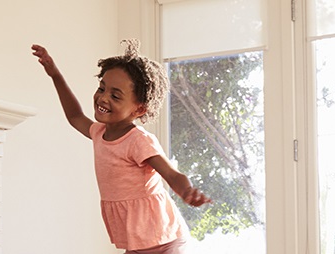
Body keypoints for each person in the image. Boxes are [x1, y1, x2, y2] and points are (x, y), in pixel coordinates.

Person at [32, 40, 211, 254]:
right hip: (136, 243)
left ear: (139, 109)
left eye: (115, 96)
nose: (103, 98)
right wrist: (56, 75)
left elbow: (170, 174)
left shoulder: (138, 140)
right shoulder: (99, 132)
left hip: (165, 243)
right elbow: (74, 116)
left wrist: (187, 191)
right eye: (101, 88)